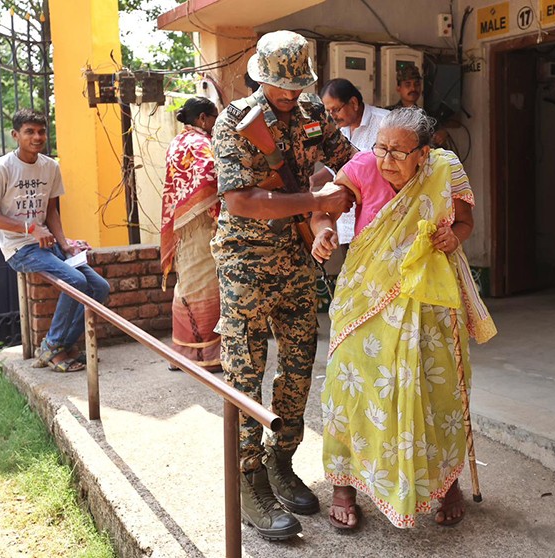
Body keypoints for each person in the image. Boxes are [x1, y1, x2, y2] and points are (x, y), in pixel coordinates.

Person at [310, 108, 496, 530]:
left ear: (424, 153)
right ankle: (344, 484)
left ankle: (445, 482)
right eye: (381, 148)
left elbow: (465, 220)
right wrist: (322, 231)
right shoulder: (361, 166)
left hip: (429, 296)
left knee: (434, 388)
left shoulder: (445, 169)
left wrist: (455, 236)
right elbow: (326, 208)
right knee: (350, 385)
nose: (386, 159)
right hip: (366, 295)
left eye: (398, 151)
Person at [210, 30, 356, 540]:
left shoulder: (313, 112)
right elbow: (241, 201)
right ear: (259, 76)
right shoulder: (233, 123)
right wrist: (315, 205)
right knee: (246, 372)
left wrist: (340, 196)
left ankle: (281, 461)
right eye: (280, 87)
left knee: (298, 366)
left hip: (295, 259)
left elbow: (349, 162)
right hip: (245, 261)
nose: (289, 96)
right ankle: (249, 481)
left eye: (296, 87)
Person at [0, 109, 110, 372]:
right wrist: (29, 228)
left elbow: (51, 211)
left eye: (41, 131)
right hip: (19, 247)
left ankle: (63, 345)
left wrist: (65, 243)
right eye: (29, 132)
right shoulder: (1, 168)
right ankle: (52, 346)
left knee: (99, 287)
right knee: (76, 281)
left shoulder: (50, 166)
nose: (37, 137)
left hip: (46, 243)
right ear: (16, 135)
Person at [160, 96, 221, 372]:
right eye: (215, 118)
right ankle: (204, 356)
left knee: (187, 283)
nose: (217, 123)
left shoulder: (178, 142)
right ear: (203, 119)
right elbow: (211, 176)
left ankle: (183, 353)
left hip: (182, 225)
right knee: (206, 286)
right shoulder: (201, 143)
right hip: (201, 223)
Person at [320, 78, 389, 249]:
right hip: (347, 228)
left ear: (353, 103)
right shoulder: (339, 130)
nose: (332, 116)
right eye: (328, 112)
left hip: (381, 226)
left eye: (335, 109)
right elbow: (334, 170)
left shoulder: (386, 123)